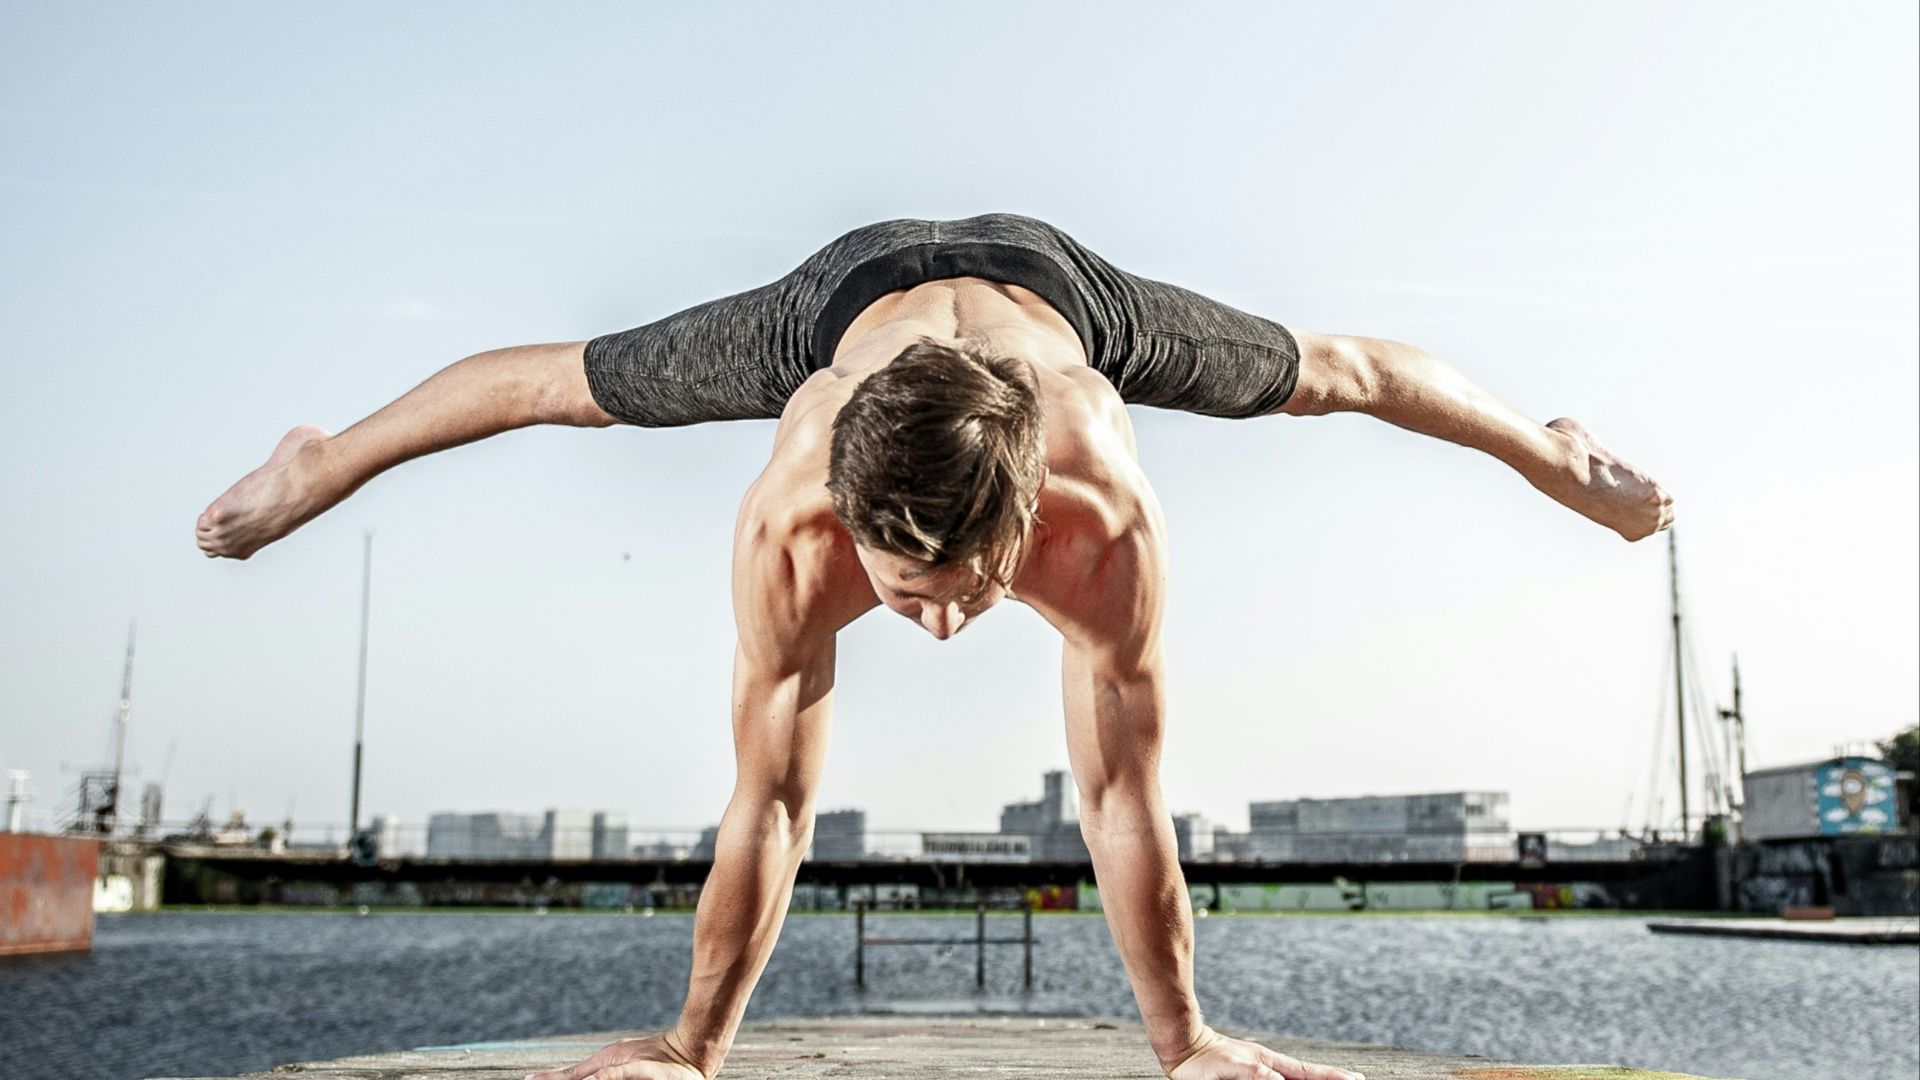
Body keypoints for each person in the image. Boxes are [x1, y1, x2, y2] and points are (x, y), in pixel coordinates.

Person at [196, 212, 1671, 1080]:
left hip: (1052, 295)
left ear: (1032, 522)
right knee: (569, 391)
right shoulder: (793, 527)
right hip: (845, 307)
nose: (952, 623)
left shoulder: (1102, 522)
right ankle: (321, 458)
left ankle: (1550, 446)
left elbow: (1119, 793)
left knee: (1325, 376)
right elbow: (768, 798)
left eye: (972, 586)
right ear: (848, 534)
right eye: (913, 595)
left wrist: (1188, 1046)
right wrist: (684, 1052)